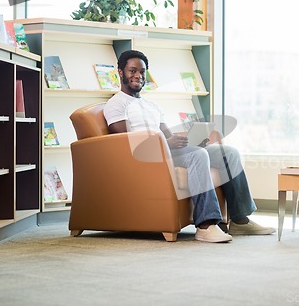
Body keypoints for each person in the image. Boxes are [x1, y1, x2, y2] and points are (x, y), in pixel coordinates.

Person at [103, 50, 275, 243]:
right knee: (198, 155)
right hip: (147, 156)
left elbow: (168, 136)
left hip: (167, 150)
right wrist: (168, 144)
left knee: (228, 153)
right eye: (132, 71)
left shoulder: (152, 106)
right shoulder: (115, 105)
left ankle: (240, 220)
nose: (138, 76)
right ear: (120, 72)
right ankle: (205, 226)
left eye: (142, 72)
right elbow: (125, 142)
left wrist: (192, 141)